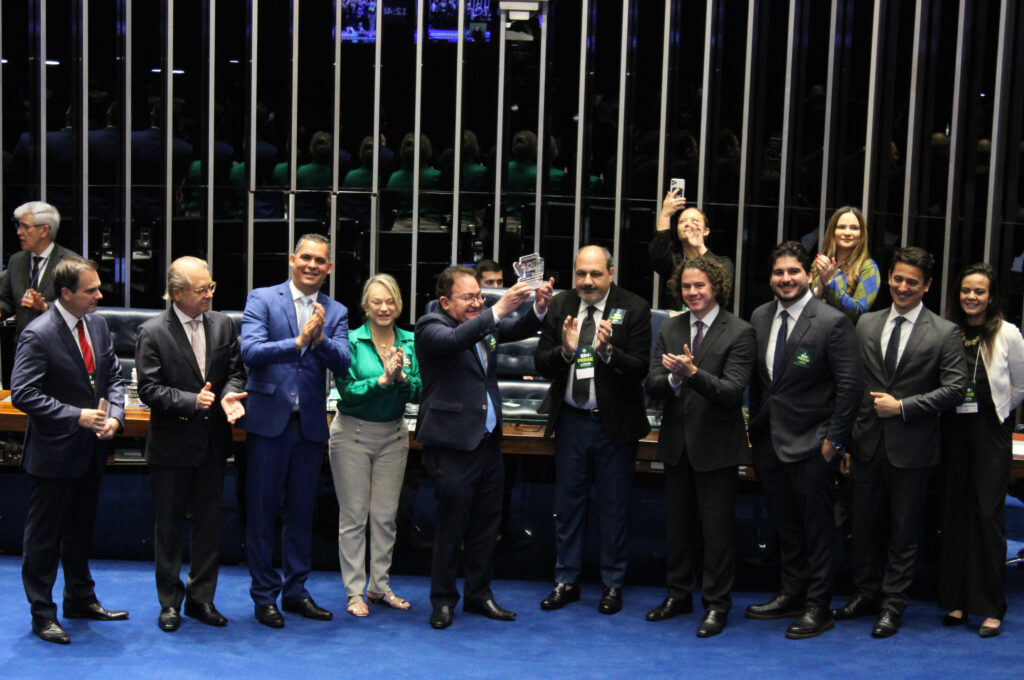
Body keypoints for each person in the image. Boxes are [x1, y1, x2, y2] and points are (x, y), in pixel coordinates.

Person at [834, 247, 967, 638]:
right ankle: (864, 594)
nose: (903, 287)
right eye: (897, 278)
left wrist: (903, 407)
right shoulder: (866, 325)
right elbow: (853, 389)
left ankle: (893, 606)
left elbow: (957, 389)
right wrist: (843, 442)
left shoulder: (944, 332)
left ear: (926, 286)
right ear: (888, 277)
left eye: (912, 282)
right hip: (865, 446)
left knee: (903, 531)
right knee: (862, 526)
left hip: (912, 449)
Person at [415, 265, 553, 629]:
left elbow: (514, 328)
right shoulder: (431, 326)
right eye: (468, 297)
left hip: (488, 442)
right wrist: (498, 307)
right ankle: (443, 599)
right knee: (450, 526)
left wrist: (537, 309)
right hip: (452, 443)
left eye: (479, 296)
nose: (477, 302)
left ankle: (479, 595)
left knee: (486, 525)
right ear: (445, 301)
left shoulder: (481, 323)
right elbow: (455, 340)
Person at [746, 241, 863, 639]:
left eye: (793, 272)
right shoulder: (759, 316)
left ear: (808, 274)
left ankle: (818, 606)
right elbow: (762, 385)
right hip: (769, 443)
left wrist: (835, 442)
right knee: (786, 527)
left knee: (817, 530)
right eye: (778, 273)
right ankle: (791, 594)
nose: (785, 279)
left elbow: (850, 388)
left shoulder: (832, 322)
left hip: (814, 444)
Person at [11, 257, 127, 645]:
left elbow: (112, 376)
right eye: (90, 290)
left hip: (90, 450)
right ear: (65, 294)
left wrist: (115, 415)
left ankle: (79, 598)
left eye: (98, 287)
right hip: (53, 452)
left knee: (80, 532)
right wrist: (75, 414)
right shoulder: (38, 333)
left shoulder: (96, 323)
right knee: (44, 539)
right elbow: (23, 393)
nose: (99, 295)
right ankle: (42, 614)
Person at [238, 233, 350, 628]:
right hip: (269, 421)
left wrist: (318, 342)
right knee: (263, 513)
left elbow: (344, 363)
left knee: (302, 514)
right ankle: (264, 595)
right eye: (306, 258)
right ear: (291, 259)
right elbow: (249, 352)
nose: (312, 265)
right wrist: (297, 341)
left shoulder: (335, 311)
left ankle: (296, 591)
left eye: (320, 260)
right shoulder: (263, 299)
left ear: (329, 268)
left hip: (310, 427)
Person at [534, 245, 652, 616]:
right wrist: (567, 353)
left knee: (615, 509)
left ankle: (612, 584)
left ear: (611, 273)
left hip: (613, 426)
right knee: (568, 505)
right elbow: (541, 363)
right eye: (581, 273)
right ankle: (565, 580)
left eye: (595, 274)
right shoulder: (561, 304)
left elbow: (641, 369)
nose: (587, 281)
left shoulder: (634, 307)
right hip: (571, 421)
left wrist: (608, 353)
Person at [135, 257, 248, 632]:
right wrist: (189, 401)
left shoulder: (223, 324)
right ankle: (169, 602)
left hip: (213, 443)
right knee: (168, 528)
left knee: (208, 526)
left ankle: (202, 599)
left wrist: (230, 396)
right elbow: (148, 389)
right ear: (176, 293)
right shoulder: (152, 332)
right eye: (201, 290)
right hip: (171, 445)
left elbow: (234, 371)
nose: (209, 295)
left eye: (211, 286)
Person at [644, 256, 755, 637]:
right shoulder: (672, 327)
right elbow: (652, 384)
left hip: (718, 448)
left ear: (717, 288)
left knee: (717, 531)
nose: (692, 293)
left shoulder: (740, 331)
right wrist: (674, 381)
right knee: (677, 527)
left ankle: (717, 604)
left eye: (700, 286)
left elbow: (731, 392)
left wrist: (691, 374)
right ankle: (678, 595)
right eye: (687, 287)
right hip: (677, 445)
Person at [938, 263, 1024, 638]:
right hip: (952, 432)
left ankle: (990, 607)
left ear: (991, 297)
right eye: (966, 291)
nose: (971, 297)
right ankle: (956, 602)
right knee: (954, 516)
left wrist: (1001, 417)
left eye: (979, 292)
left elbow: (1020, 385)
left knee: (988, 520)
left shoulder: (1008, 333)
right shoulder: (947, 332)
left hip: (991, 433)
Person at [329, 274, 420, 618]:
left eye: (390, 301)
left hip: (393, 436)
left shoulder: (410, 341)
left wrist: (401, 380)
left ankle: (379, 586)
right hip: (352, 434)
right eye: (376, 302)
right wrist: (382, 380)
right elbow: (348, 392)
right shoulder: (350, 341)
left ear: (398, 305)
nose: (384, 308)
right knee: (354, 518)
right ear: (365, 306)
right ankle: (354, 593)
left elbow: (419, 391)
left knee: (384, 517)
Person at [0, 201, 80, 339]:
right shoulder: (16, 261)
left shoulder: (71, 263)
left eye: (25, 227)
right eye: (18, 226)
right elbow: (6, 302)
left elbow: (79, 307)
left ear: (44, 230)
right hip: (23, 347)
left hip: (58, 346)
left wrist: (45, 306)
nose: (19, 232)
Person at [648, 189, 735, 289]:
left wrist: (699, 248)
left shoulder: (723, 263)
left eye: (694, 221)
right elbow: (658, 253)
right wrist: (666, 214)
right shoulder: (673, 262)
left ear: (706, 231)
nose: (688, 224)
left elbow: (719, 289)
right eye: (682, 221)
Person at [811, 206, 880, 321]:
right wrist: (818, 290)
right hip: (813, 331)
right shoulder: (821, 262)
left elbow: (858, 311)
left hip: (844, 335)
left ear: (861, 234)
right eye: (842, 227)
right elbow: (801, 304)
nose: (847, 233)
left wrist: (829, 282)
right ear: (833, 231)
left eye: (854, 228)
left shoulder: (868, 267)